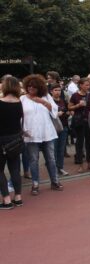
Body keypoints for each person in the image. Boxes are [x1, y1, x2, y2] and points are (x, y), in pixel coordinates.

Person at [21, 74, 63, 195]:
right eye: (28, 86)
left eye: (33, 87)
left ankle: (55, 181)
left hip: (47, 133)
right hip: (31, 134)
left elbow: (54, 112)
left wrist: (43, 102)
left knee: (51, 158)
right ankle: (35, 184)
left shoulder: (46, 96)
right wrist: (23, 130)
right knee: (33, 160)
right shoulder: (23, 99)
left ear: (39, 87)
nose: (30, 88)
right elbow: (20, 116)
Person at [0, 76, 24, 209]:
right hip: (15, 140)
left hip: (1, 139)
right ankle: (18, 197)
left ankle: (6, 200)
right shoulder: (19, 102)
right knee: (15, 169)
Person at [69, 77, 90, 172]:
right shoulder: (75, 95)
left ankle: (89, 163)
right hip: (79, 121)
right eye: (86, 85)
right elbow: (69, 107)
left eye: (89, 85)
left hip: (89, 121)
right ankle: (80, 165)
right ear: (81, 85)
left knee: (89, 142)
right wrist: (78, 105)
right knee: (79, 143)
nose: (88, 87)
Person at [51, 83, 70, 177]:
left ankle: (60, 168)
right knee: (53, 149)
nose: (58, 92)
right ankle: (53, 169)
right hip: (53, 128)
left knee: (61, 149)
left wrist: (65, 113)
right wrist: (57, 114)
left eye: (59, 90)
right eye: (55, 90)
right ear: (51, 92)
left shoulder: (63, 101)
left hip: (64, 127)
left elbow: (67, 111)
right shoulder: (49, 102)